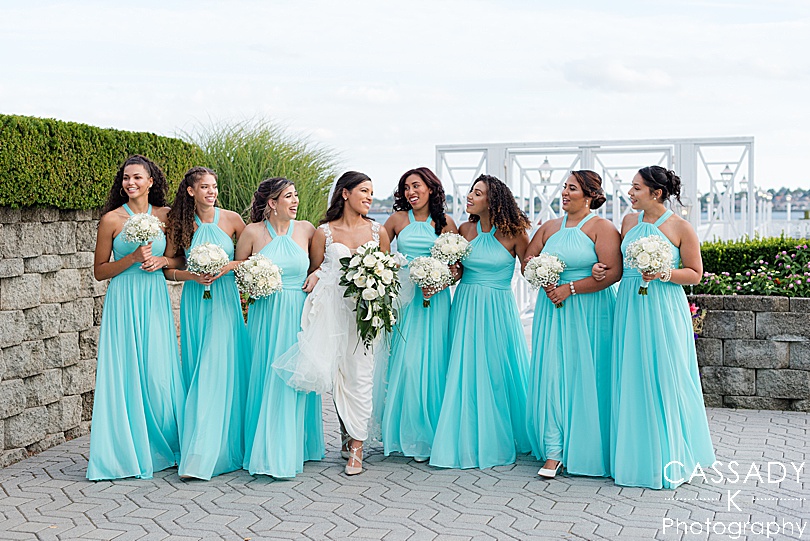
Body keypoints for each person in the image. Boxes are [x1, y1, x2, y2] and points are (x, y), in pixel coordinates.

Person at [595, 165, 715, 489]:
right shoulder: (628, 222)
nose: (630, 193)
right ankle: (634, 458)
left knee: (665, 374)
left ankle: (669, 456)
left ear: (656, 193)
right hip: (629, 305)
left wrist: (663, 273)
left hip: (663, 307)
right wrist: (599, 269)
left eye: (636, 188)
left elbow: (695, 273)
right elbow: (619, 267)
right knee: (631, 374)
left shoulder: (680, 227)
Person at [273, 171, 391, 476]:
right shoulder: (323, 233)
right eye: (364, 191)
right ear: (345, 193)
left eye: (371, 192)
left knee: (361, 376)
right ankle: (346, 433)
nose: (369, 197)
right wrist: (315, 274)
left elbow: (387, 273)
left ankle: (357, 448)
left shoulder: (378, 232)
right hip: (331, 313)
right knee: (338, 376)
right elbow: (314, 268)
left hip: (365, 315)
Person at [87, 155, 185, 480]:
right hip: (124, 299)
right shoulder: (111, 219)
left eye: (137, 178)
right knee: (126, 371)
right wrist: (130, 258)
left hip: (154, 298)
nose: (130, 183)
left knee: (158, 373)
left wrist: (162, 261)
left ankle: (167, 446)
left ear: (150, 182)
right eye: (126, 178)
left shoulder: (166, 216)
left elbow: (177, 259)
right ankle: (124, 451)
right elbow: (100, 271)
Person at [429, 174, 532, 469]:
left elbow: (531, 269)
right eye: (471, 192)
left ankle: (499, 435)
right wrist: (442, 277)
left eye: (477, 193)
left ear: (493, 200)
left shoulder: (515, 233)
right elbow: (458, 271)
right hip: (466, 305)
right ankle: (466, 433)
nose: (470, 197)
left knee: (497, 368)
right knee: (465, 367)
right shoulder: (465, 229)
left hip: (498, 309)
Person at [523, 170, 621, 479]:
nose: (565, 193)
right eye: (565, 187)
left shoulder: (602, 228)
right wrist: (543, 277)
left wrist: (572, 287)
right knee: (553, 373)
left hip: (590, 310)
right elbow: (527, 261)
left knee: (589, 374)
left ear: (590, 195)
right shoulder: (549, 227)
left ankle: (590, 446)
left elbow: (613, 272)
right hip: (552, 309)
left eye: (573, 188)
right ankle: (554, 450)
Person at [164, 166, 249, 480]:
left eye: (214, 186)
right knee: (201, 366)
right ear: (191, 191)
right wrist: (192, 275)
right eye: (204, 187)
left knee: (218, 366)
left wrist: (227, 267)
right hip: (195, 301)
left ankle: (206, 455)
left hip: (225, 300)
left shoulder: (233, 220)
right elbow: (169, 268)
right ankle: (200, 447)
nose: (211, 192)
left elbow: (251, 256)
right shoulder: (180, 224)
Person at [238, 177, 325, 477]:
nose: (295, 200)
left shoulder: (307, 229)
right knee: (267, 373)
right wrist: (253, 284)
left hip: (298, 312)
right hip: (266, 313)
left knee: (296, 374)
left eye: (296, 195)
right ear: (272, 203)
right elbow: (240, 272)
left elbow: (320, 265)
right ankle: (267, 447)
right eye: (289, 196)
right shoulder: (252, 232)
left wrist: (316, 275)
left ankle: (297, 446)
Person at [381, 167, 459, 462]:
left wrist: (439, 283)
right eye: (406, 188)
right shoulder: (397, 220)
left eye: (416, 186)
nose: (410, 192)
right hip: (404, 299)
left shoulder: (446, 223)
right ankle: (407, 434)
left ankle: (430, 435)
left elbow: (457, 268)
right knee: (407, 364)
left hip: (435, 300)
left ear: (431, 188)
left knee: (435, 364)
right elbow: (379, 257)